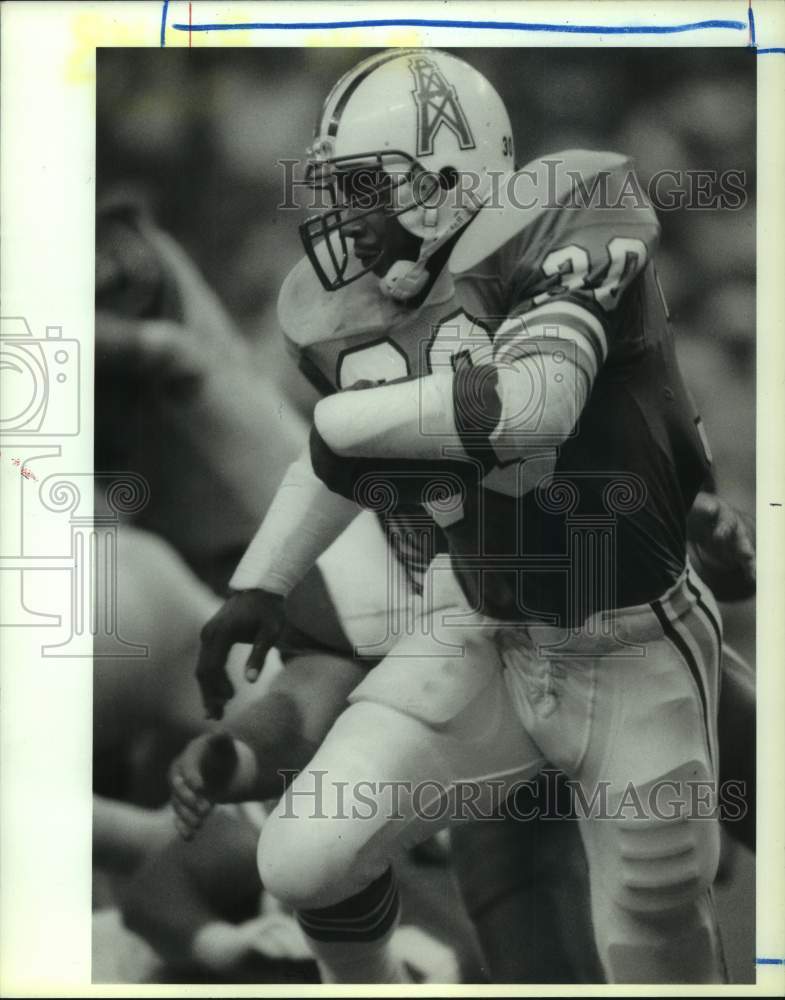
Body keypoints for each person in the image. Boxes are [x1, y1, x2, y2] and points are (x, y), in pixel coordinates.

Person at [180, 49, 746, 984]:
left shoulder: (567, 214)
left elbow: (534, 406)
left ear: (449, 176)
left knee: (652, 942)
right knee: (304, 854)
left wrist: (339, 420)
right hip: (480, 624)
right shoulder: (359, 309)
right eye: (338, 188)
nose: (343, 216)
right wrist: (260, 582)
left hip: (630, 638)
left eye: (365, 186)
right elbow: (349, 451)